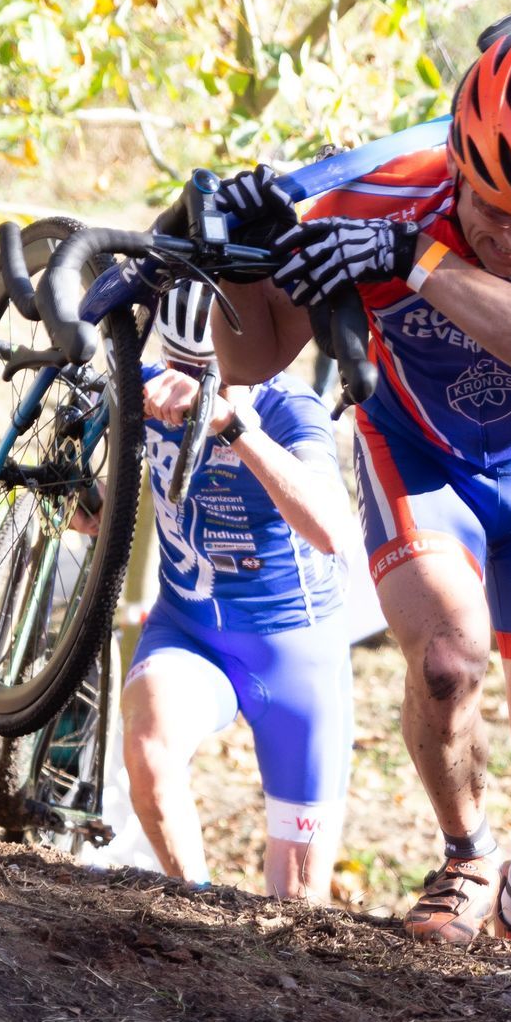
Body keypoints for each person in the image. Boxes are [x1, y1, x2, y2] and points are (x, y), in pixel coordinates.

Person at [209, 14, 511, 944]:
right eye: (495, 210)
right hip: (421, 454)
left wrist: (419, 259)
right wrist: (237, 265)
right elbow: (250, 362)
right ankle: (466, 856)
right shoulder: (375, 198)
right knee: (446, 665)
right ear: (456, 161)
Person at [121, 278, 356, 902]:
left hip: (295, 655)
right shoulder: (146, 389)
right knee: (149, 749)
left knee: (297, 901)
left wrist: (232, 424)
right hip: (189, 631)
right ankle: (199, 914)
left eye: (214, 376)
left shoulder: (290, 407)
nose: (188, 390)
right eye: (179, 369)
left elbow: (332, 530)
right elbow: (92, 510)